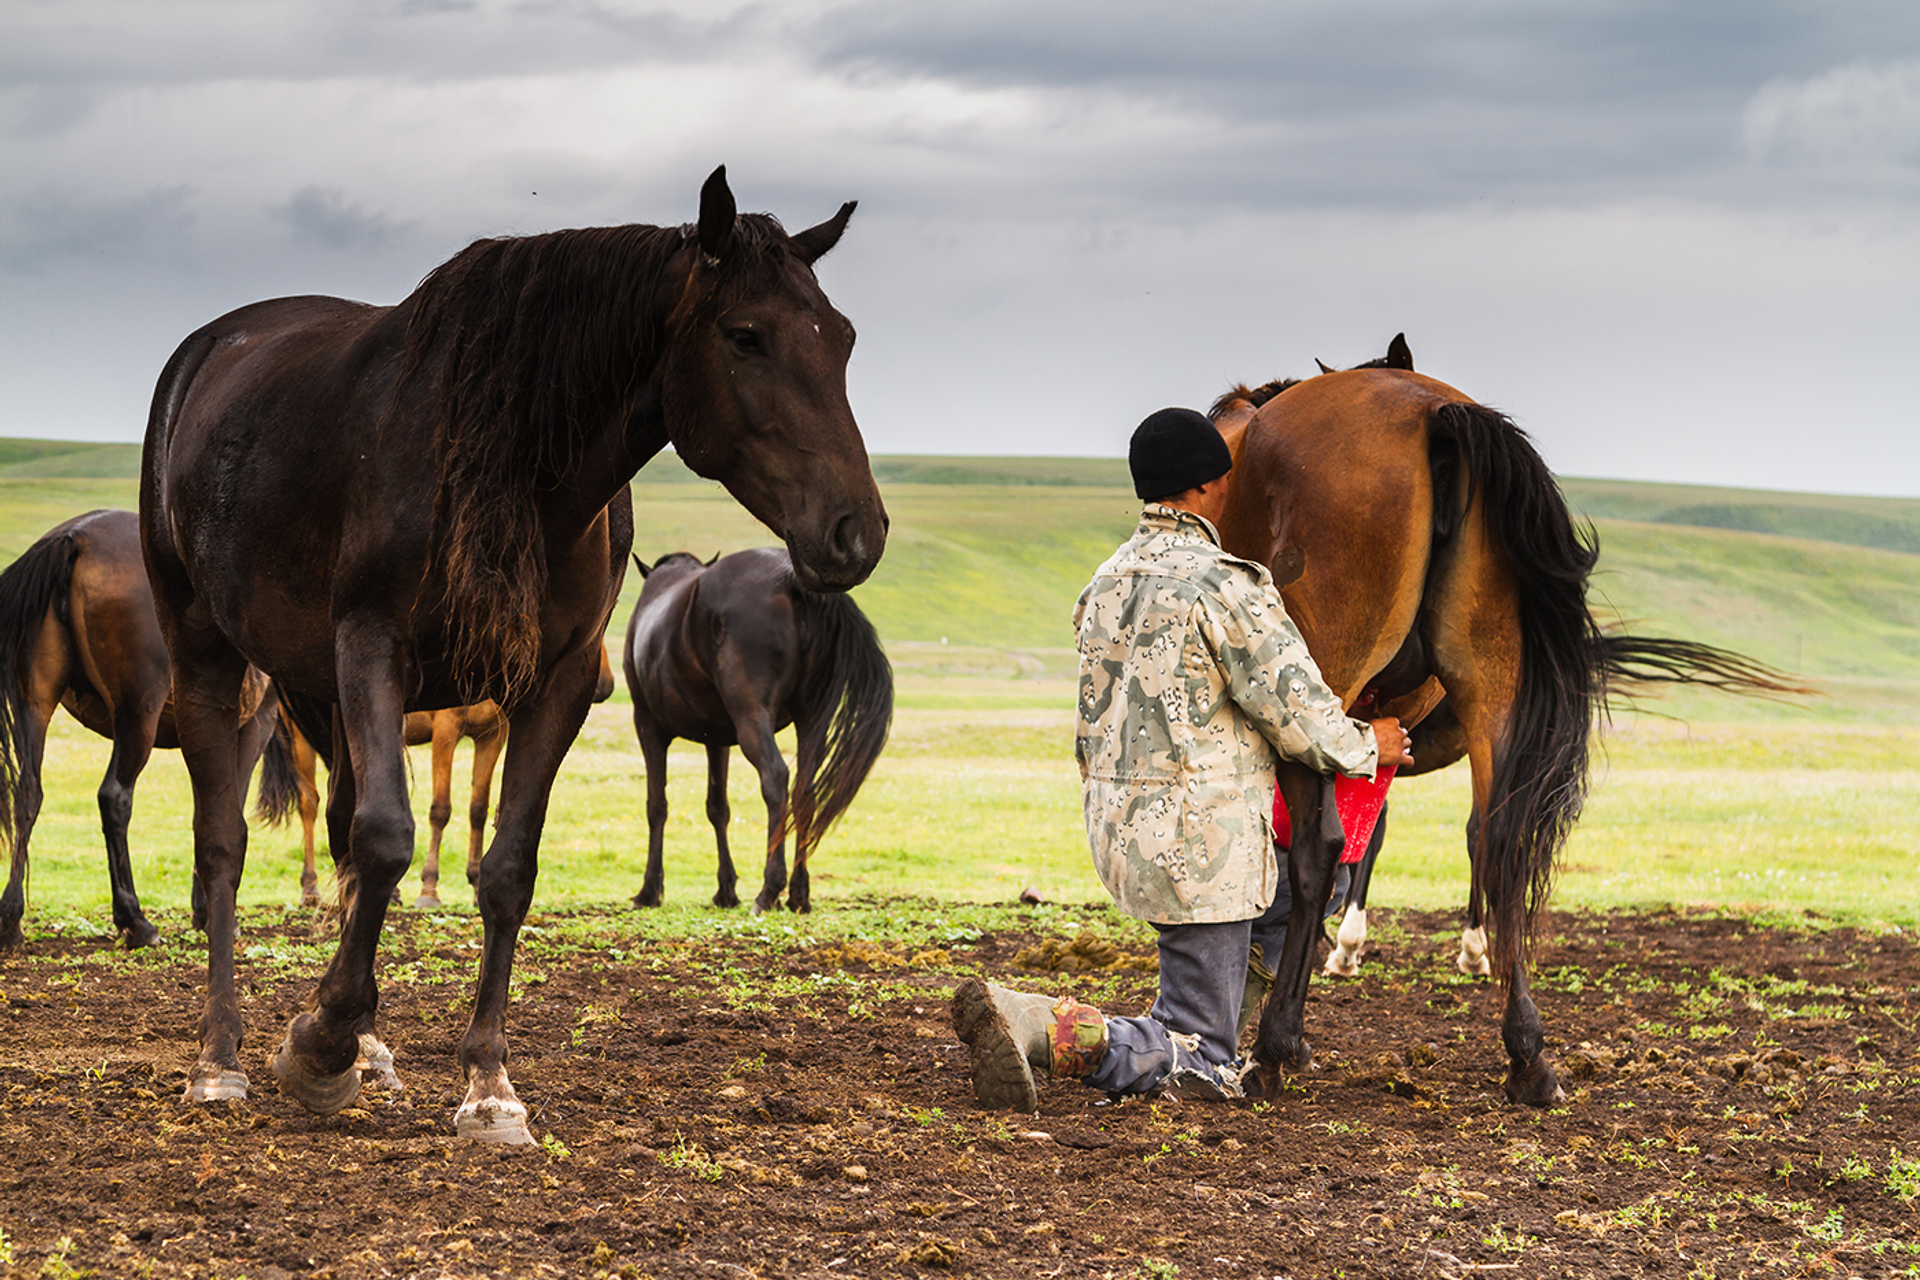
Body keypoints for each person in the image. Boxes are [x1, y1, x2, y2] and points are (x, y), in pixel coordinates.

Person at [952, 406, 1414, 1110]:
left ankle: (1214, 1017)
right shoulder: (1224, 585)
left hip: (1123, 833)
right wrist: (1369, 742)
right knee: (1202, 1058)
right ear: (1207, 486)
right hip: (1203, 846)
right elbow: (1299, 716)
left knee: (1308, 894)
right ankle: (1037, 1025)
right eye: (1226, 480)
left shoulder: (1104, 582)